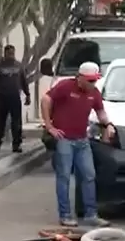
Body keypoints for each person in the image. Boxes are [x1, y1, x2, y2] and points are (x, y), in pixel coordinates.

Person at [40, 61, 114, 228]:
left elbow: (100, 111)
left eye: (94, 80)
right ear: (79, 78)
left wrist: (108, 124)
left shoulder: (94, 93)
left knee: (89, 175)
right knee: (64, 176)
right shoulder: (65, 87)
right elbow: (46, 99)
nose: (92, 84)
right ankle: (65, 214)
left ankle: (91, 214)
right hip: (64, 139)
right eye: (89, 80)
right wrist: (49, 125)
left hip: (82, 140)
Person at [0, 45, 31, 153]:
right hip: (1, 97)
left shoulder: (19, 66)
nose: (10, 55)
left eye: (12, 53)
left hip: (14, 97)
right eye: (8, 53)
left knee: (16, 122)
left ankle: (16, 145)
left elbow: (23, 81)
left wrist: (27, 95)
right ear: (4, 53)